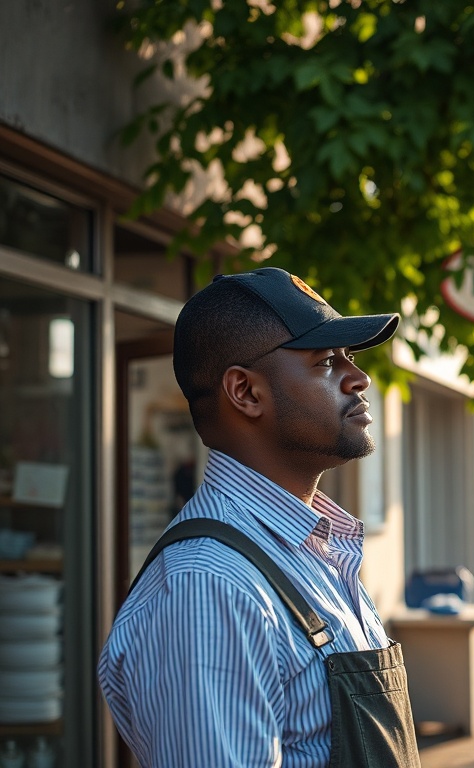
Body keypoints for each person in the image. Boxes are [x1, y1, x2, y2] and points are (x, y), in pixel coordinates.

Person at [97, 267, 421, 767]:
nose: (359, 378)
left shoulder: (317, 549)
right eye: (325, 362)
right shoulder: (209, 586)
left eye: (350, 357)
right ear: (246, 392)